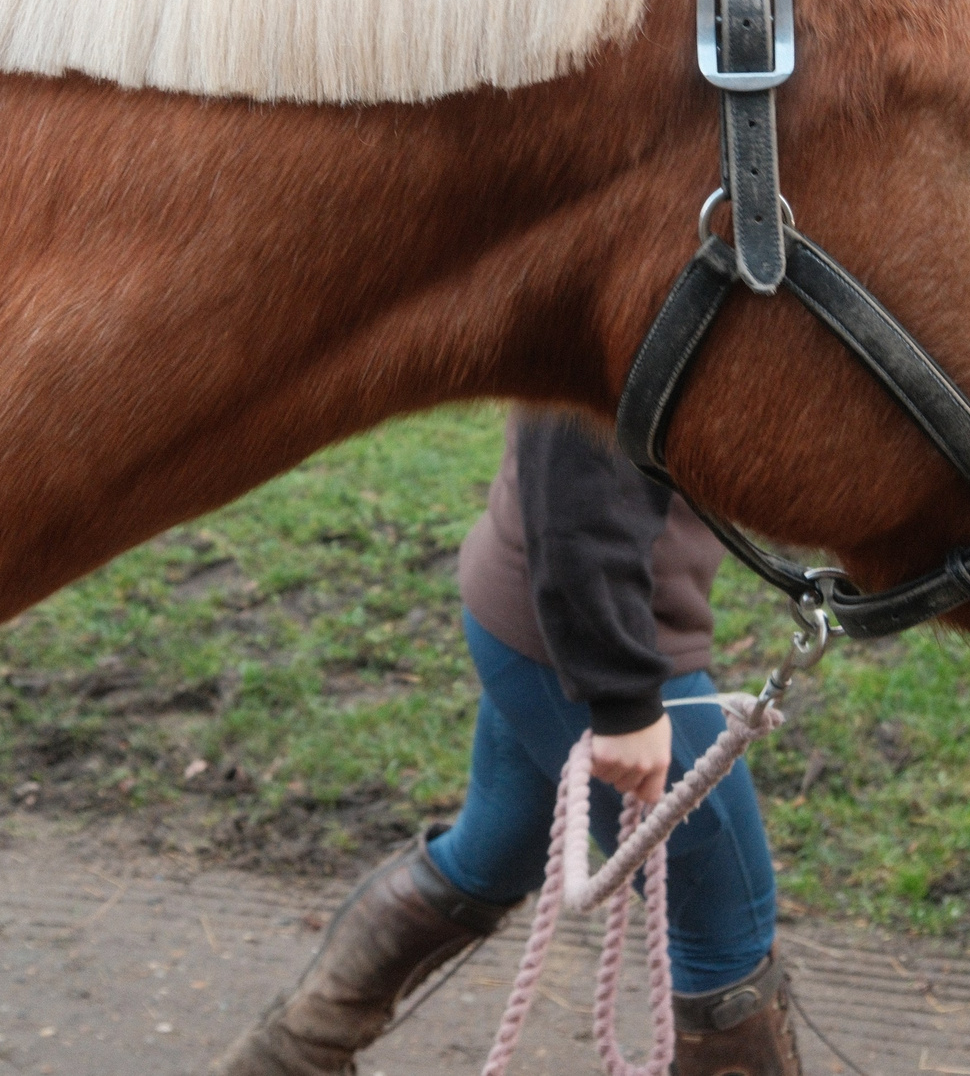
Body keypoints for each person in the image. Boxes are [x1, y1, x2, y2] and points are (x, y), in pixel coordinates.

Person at [220, 407, 800, 1076]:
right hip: (589, 641)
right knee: (725, 931)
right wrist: (622, 696)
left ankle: (284, 1058)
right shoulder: (638, 299)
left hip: (541, 620)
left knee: (489, 856)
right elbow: (575, 469)